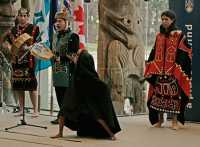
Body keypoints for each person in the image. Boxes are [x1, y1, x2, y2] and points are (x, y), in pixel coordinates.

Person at [51, 48, 121, 140]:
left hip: (83, 95)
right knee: (64, 111)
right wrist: (74, 60)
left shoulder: (84, 70)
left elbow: (92, 81)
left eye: (78, 55)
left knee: (96, 114)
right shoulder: (83, 69)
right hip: (76, 94)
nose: (76, 56)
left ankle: (111, 134)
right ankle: (60, 133)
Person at [144, 10, 192, 130]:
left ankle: (175, 122)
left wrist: (178, 67)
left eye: (167, 19)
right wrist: (150, 64)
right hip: (159, 72)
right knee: (158, 97)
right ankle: (160, 120)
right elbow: (154, 51)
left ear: (172, 20)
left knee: (174, 97)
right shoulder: (159, 36)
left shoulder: (179, 35)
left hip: (173, 73)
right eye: (163, 19)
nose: (164, 21)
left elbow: (185, 51)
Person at [4, 8, 40, 117]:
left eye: (25, 16)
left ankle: (35, 110)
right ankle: (21, 109)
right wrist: (9, 47)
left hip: (29, 61)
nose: (23, 18)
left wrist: (30, 47)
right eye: (20, 15)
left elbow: (38, 43)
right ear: (17, 16)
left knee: (31, 86)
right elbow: (7, 43)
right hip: (17, 62)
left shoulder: (34, 28)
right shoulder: (13, 30)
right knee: (19, 86)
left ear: (28, 16)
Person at [51, 10, 80, 124]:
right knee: (58, 92)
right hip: (57, 69)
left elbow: (73, 53)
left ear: (66, 22)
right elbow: (52, 50)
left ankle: (66, 117)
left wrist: (61, 58)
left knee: (66, 94)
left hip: (68, 69)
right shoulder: (54, 35)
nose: (57, 23)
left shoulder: (73, 36)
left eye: (60, 21)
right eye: (56, 21)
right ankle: (61, 115)